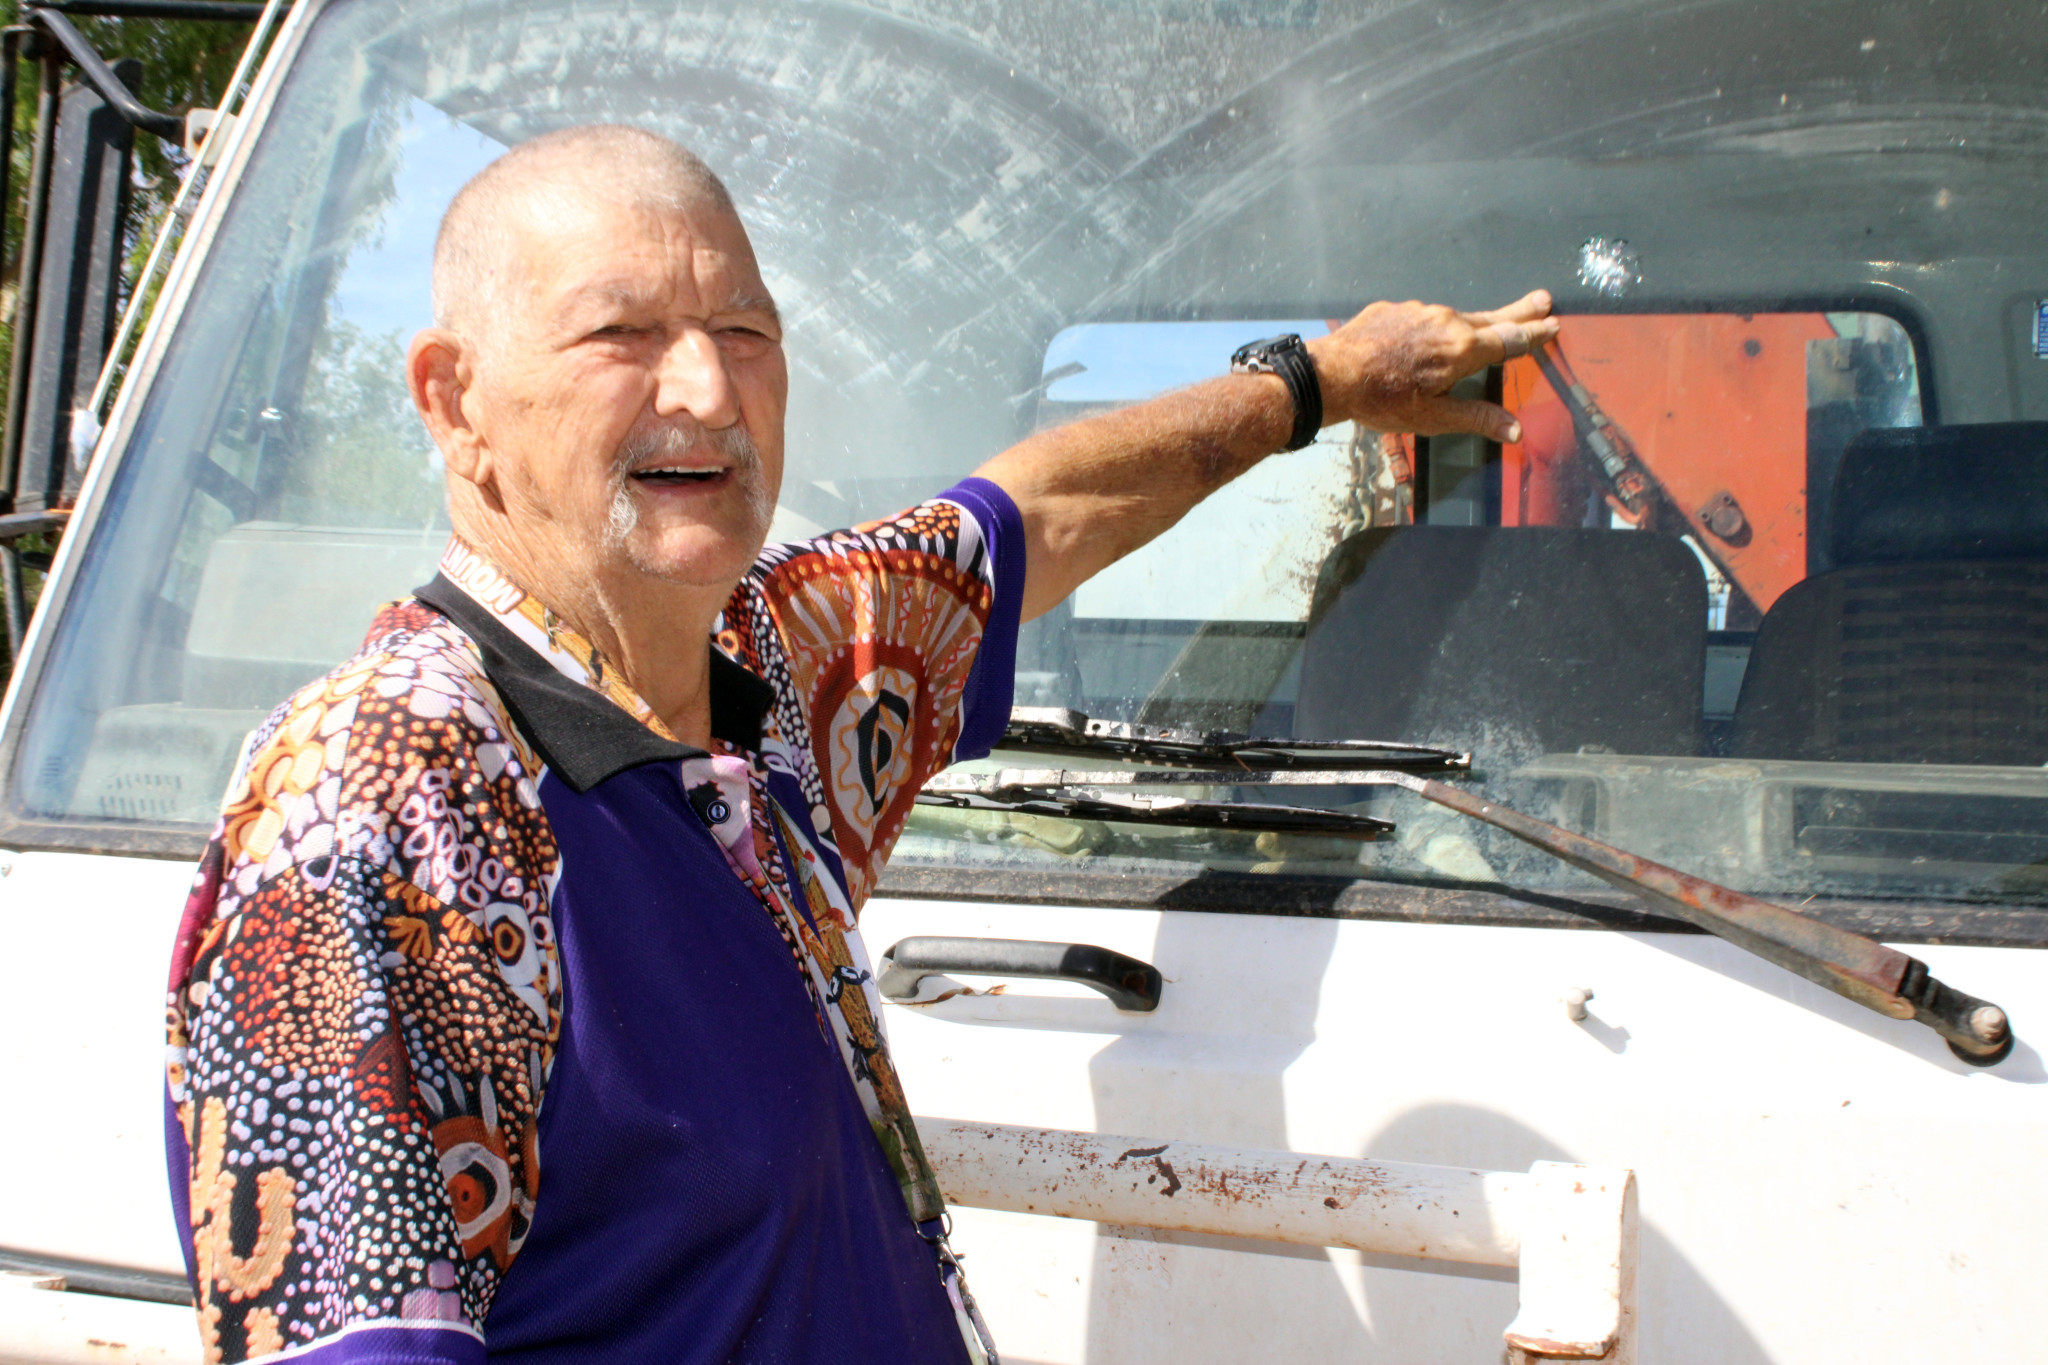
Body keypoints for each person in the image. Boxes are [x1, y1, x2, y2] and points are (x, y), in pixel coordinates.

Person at [163, 124, 1555, 1365]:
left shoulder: (764, 671)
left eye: (746, 330)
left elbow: (1041, 513)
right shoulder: (385, 795)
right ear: (455, 400)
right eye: (623, 335)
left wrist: (1316, 381)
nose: (707, 388)